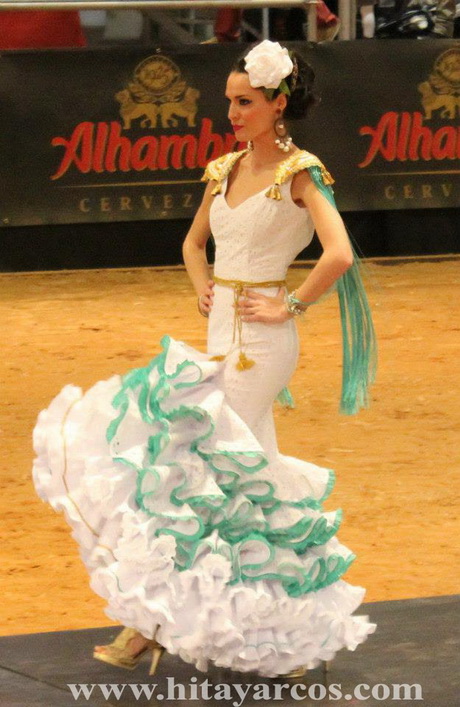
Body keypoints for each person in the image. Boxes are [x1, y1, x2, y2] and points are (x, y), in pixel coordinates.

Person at [32, 40, 377, 678]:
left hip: (262, 343)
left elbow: (339, 254)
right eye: (229, 101)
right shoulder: (225, 169)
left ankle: (145, 627)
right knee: (252, 474)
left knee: (198, 466)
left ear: (278, 104)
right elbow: (193, 244)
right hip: (221, 331)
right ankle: (287, 629)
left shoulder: (298, 171)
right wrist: (202, 285)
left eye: (244, 102)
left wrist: (291, 307)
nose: (231, 112)